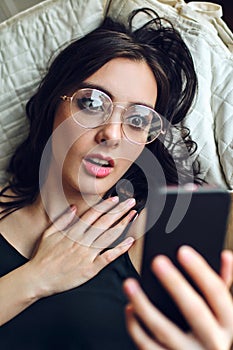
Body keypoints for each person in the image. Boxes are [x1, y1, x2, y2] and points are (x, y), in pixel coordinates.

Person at [0, 7, 232, 349]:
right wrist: (37, 278)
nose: (112, 133)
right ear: (54, 105)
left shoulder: (156, 237)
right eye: (93, 102)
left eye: (138, 120)